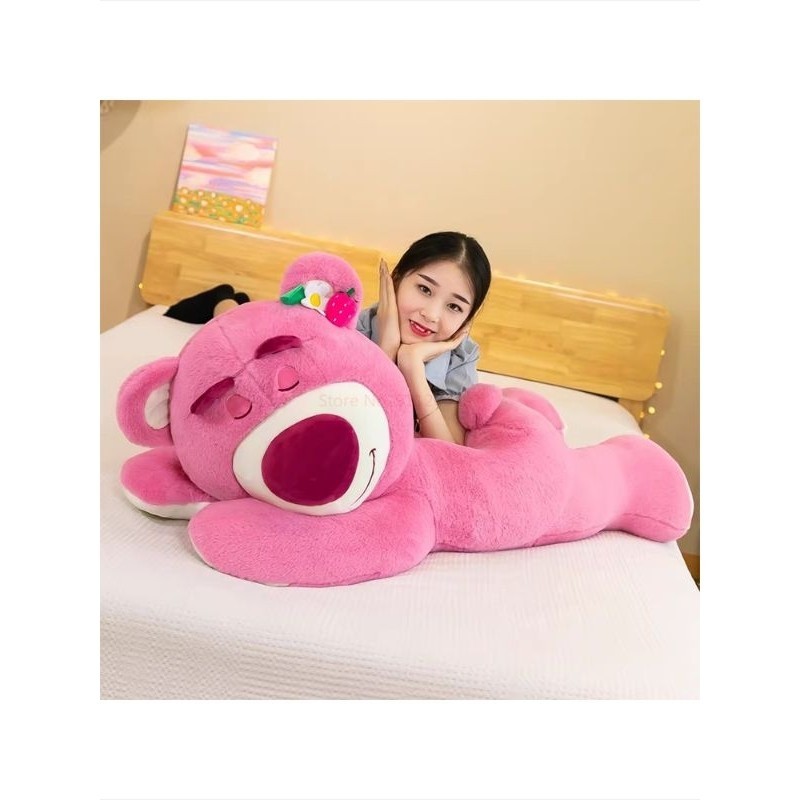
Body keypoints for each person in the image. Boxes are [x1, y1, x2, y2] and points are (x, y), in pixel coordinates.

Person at [357, 231, 492, 446]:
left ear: (467, 319)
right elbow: (354, 428)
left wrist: (413, 370)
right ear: (397, 278)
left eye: (454, 306)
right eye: (424, 289)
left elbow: (448, 454)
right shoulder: (355, 330)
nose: (431, 314)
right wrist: (387, 353)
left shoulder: (459, 357)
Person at [163, 284, 250, 323]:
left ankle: (226, 326)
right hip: (176, 315)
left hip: (205, 320)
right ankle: (226, 327)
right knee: (229, 291)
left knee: (240, 297)